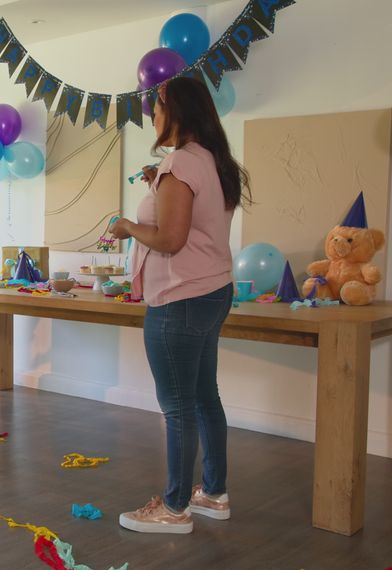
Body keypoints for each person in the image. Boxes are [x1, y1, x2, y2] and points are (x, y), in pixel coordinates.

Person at [109, 77, 251, 534]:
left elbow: (170, 239)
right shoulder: (211, 161)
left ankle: (173, 508)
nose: (152, 116)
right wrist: (159, 185)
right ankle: (213, 492)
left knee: (178, 407)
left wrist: (129, 226)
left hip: (180, 299)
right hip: (212, 291)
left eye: (155, 108)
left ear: (174, 110)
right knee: (204, 397)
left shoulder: (179, 163)